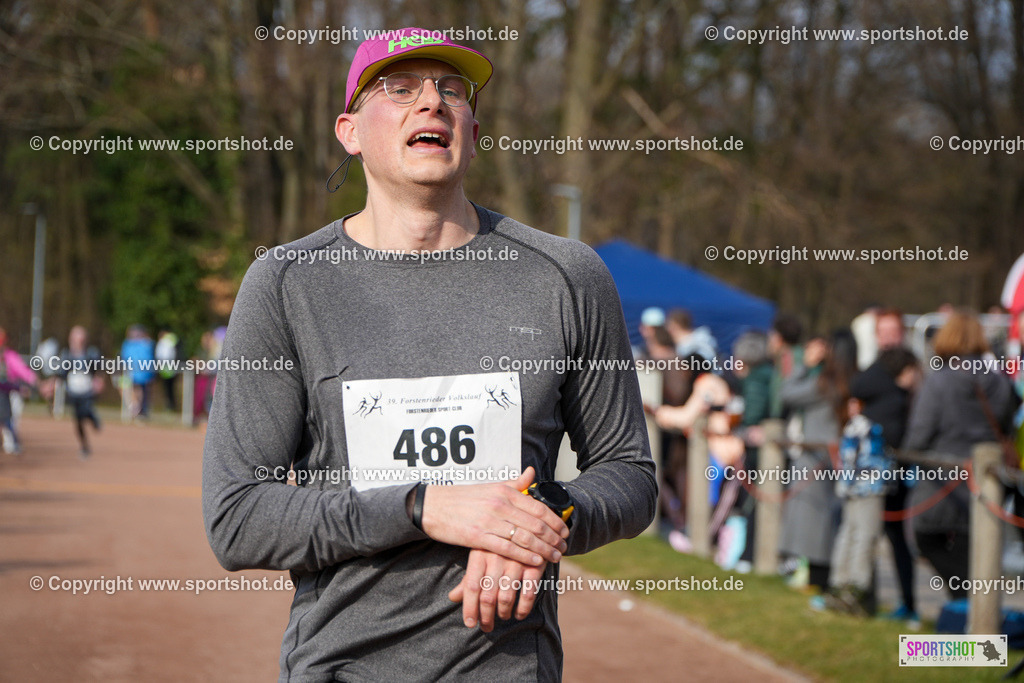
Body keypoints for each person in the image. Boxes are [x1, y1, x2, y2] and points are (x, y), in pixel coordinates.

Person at [202, 29, 656, 682]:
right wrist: (422, 505)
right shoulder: (287, 283)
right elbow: (238, 516)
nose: (432, 103)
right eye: (399, 88)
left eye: (452, 89)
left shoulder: (566, 275)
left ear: (473, 128)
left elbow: (629, 473)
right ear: (349, 130)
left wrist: (540, 520)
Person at [903, 309, 1017, 600]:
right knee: (975, 550)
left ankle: (968, 607)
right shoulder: (1000, 381)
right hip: (987, 480)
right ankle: (974, 615)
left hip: (944, 480)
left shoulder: (939, 380)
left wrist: (905, 454)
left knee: (927, 538)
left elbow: (919, 435)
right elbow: (1006, 426)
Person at [848, 311, 920, 624]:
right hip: (875, 466)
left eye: (893, 331)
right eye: (882, 332)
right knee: (866, 531)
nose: (888, 338)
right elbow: (858, 386)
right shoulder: (880, 370)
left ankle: (909, 604)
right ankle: (866, 596)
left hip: (901, 467)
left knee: (897, 538)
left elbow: (862, 388)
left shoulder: (910, 365)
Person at [777, 332, 855, 591]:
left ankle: (817, 580)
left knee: (815, 523)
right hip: (833, 456)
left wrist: (805, 366)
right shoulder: (846, 380)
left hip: (818, 458)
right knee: (824, 521)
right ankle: (820, 579)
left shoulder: (824, 383)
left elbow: (787, 393)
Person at [58, 326, 103, 457]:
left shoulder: (91, 353)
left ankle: (93, 419)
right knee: (78, 420)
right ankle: (84, 446)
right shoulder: (66, 355)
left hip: (87, 391)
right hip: (73, 392)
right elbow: (61, 374)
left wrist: (99, 381)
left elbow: (99, 370)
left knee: (85, 411)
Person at [0, 326, 37, 454]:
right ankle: (11, 443)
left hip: (10, 392)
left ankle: (11, 443)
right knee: (7, 419)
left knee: (10, 418)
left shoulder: (9, 356)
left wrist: (32, 381)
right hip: (9, 390)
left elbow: (22, 371)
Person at [120, 324, 155, 419]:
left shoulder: (146, 344)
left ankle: (140, 410)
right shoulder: (129, 344)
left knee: (141, 392)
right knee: (129, 390)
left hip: (142, 374)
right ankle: (135, 409)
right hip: (132, 373)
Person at [155, 330, 180, 411]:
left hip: (169, 367)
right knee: (167, 387)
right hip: (164, 367)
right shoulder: (162, 343)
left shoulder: (169, 341)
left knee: (170, 387)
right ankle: (169, 404)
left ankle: (171, 405)